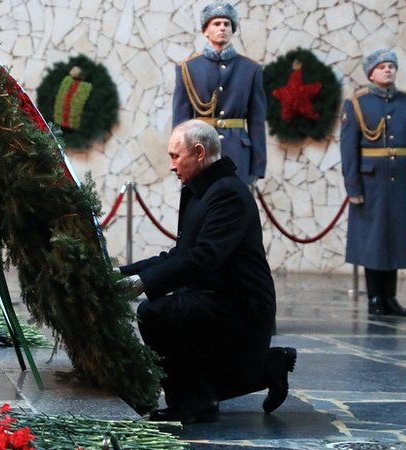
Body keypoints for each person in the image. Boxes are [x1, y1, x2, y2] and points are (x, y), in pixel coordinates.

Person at [118, 120, 296, 424]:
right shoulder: (202, 189)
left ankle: (194, 402)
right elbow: (178, 255)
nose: (171, 166)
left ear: (199, 152)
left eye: (176, 156)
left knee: (155, 313)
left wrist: (142, 284)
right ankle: (266, 366)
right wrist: (122, 273)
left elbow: (205, 257)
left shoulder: (227, 194)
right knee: (173, 313)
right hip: (213, 296)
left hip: (242, 304)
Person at [340, 49, 406, 317]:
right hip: (371, 184)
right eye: (382, 66)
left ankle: (390, 298)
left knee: (396, 240)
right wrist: (352, 186)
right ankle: (375, 298)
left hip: (401, 181)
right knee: (373, 241)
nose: (388, 70)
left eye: (391, 66)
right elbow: (348, 149)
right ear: (371, 73)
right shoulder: (356, 104)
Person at [172, 0, 267, 186]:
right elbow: (180, 122)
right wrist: (179, 160)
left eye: (227, 24)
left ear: (232, 30)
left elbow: (257, 122)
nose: (222, 28)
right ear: (205, 30)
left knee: (236, 211)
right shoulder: (188, 69)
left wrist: (258, 166)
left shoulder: (250, 69)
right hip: (199, 153)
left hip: (238, 154)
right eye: (216, 23)